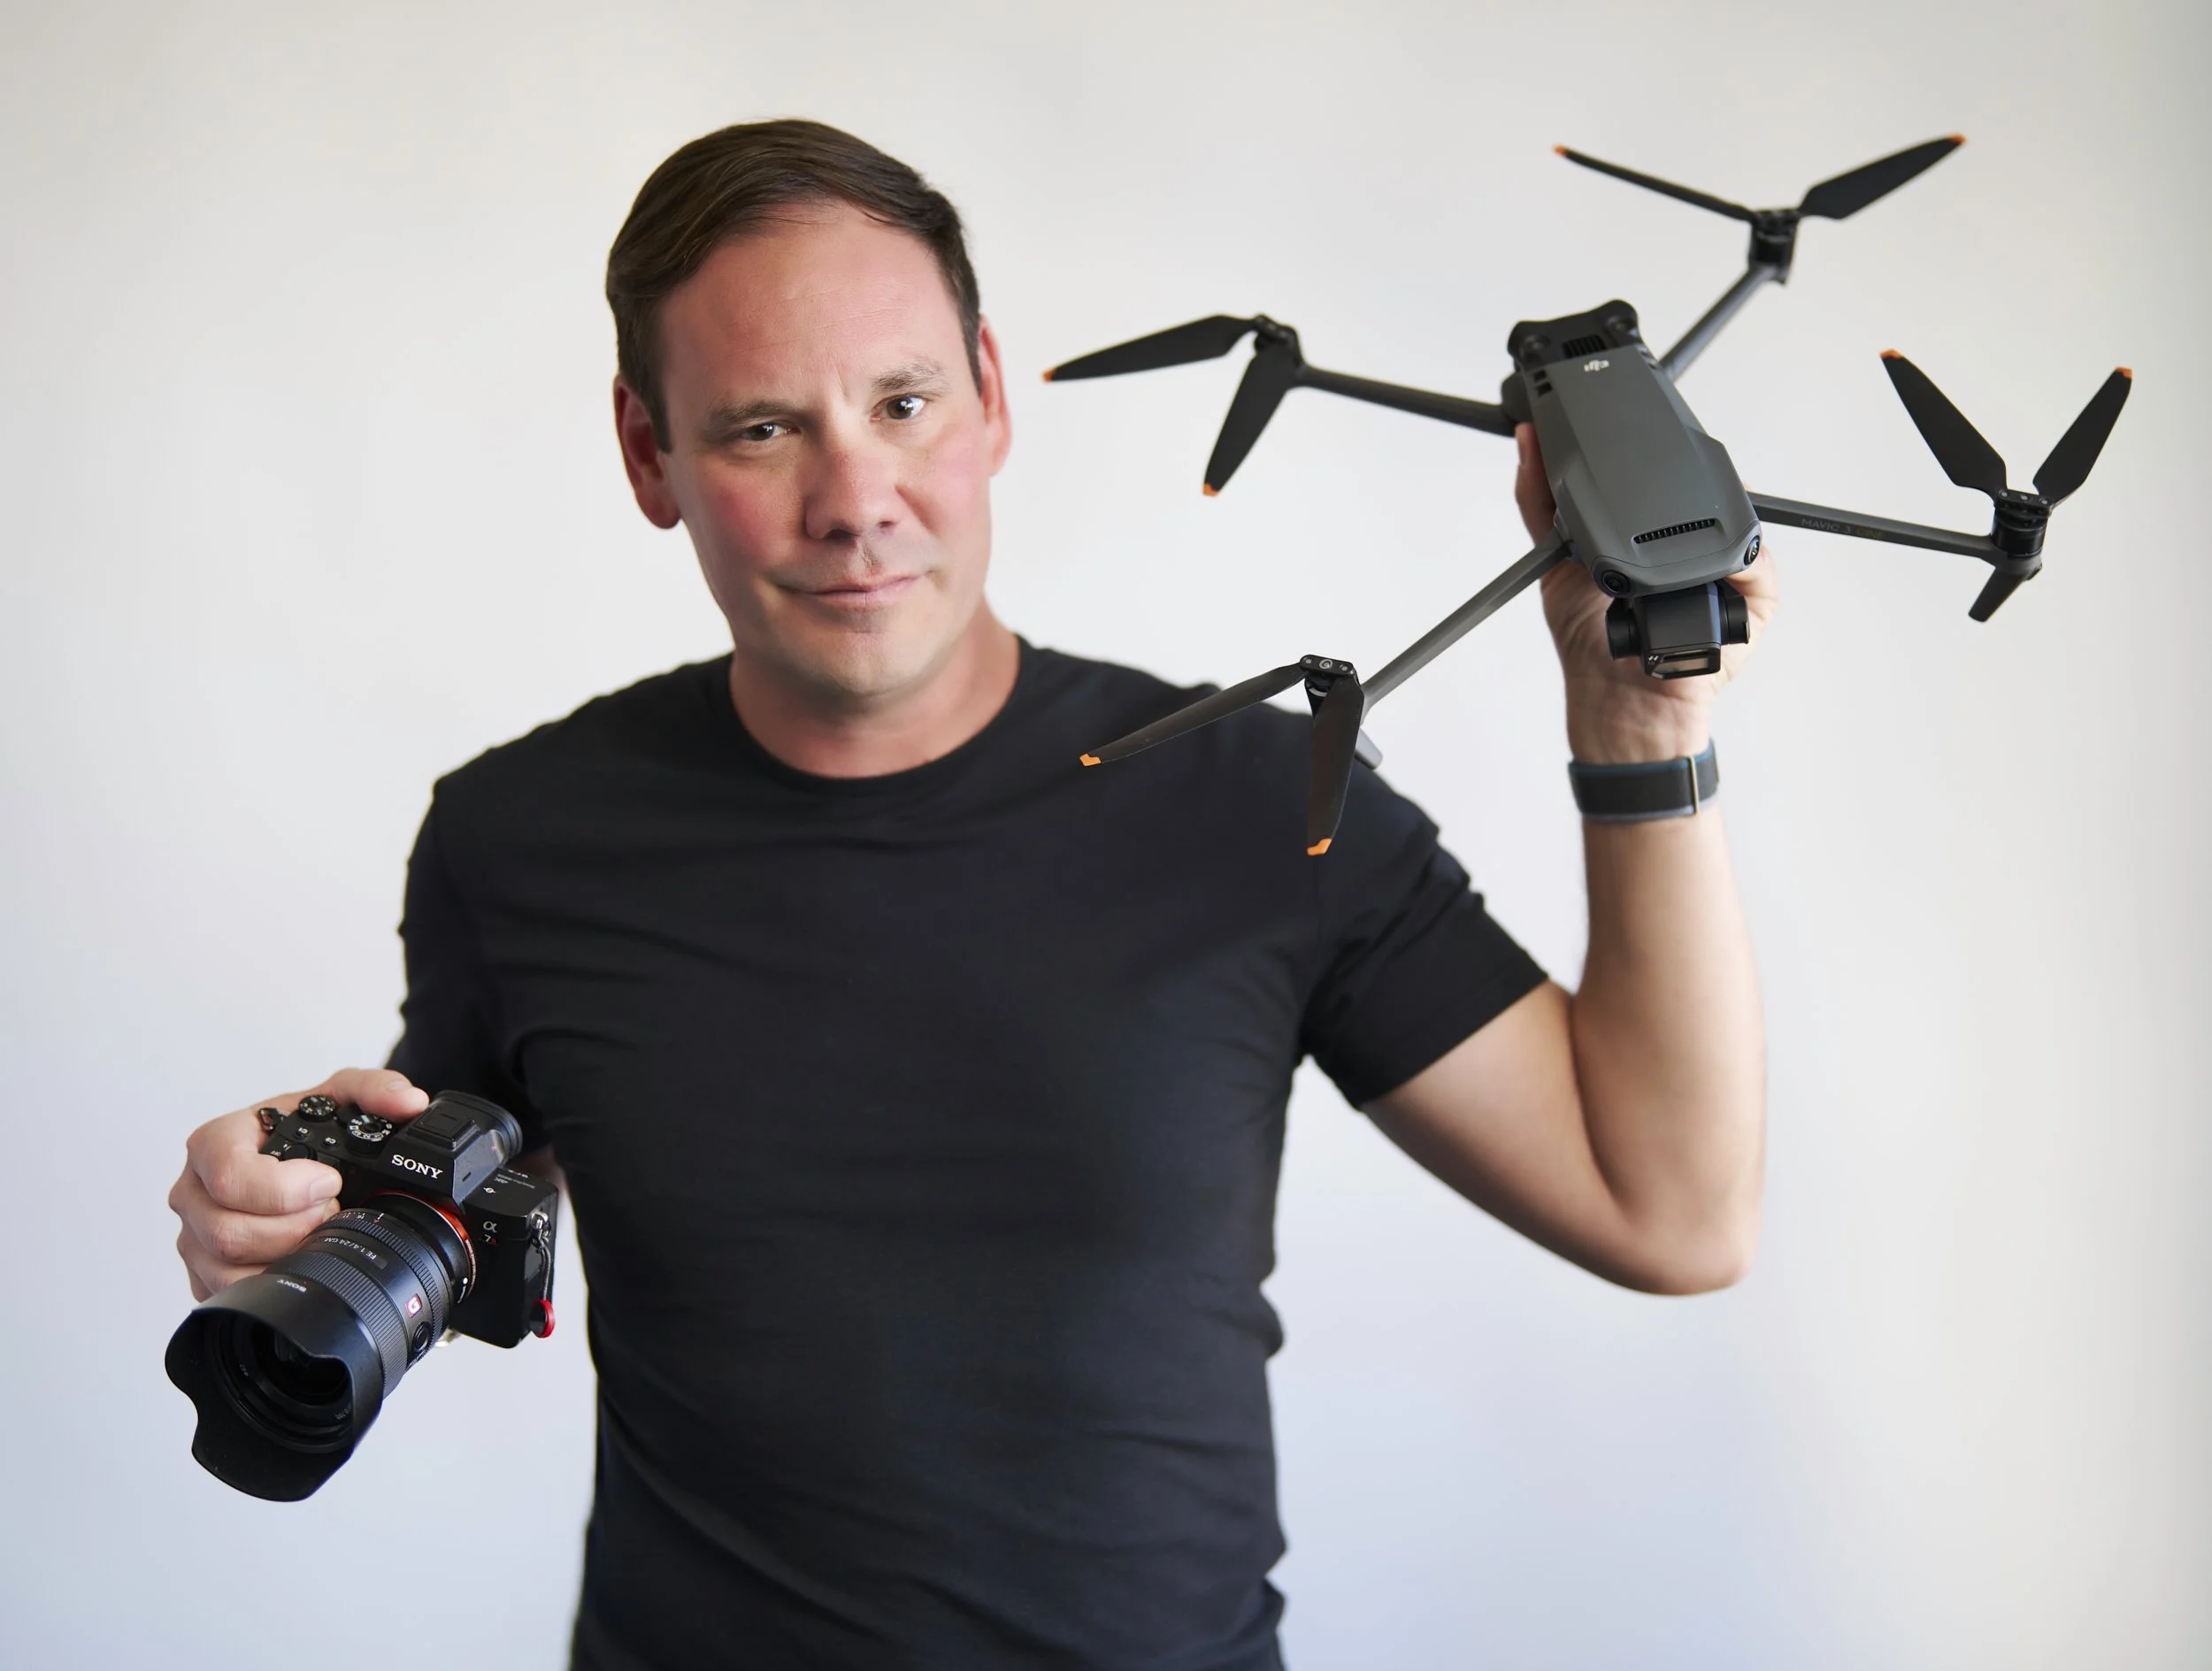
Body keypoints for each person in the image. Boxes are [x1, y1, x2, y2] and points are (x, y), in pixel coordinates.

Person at [167, 119, 1772, 1668]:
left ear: (992, 396)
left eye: (903, 401)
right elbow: (444, 1215)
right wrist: (293, 1212)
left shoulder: (1260, 801)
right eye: (761, 428)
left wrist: (1638, 727)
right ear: (649, 453)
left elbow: (1671, 1210)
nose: (855, 499)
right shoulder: (519, 838)